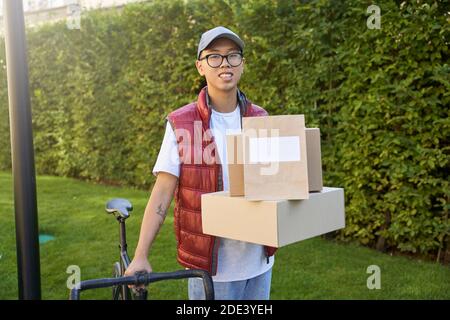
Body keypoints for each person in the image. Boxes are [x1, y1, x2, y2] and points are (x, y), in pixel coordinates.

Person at [125, 26, 276, 300]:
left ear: (242, 64)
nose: (224, 64)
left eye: (232, 56)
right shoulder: (182, 123)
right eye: (214, 57)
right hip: (209, 272)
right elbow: (161, 195)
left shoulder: (260, 118)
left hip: (259, 264)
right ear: (200, 67)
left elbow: (276, 181)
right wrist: (140, 255)